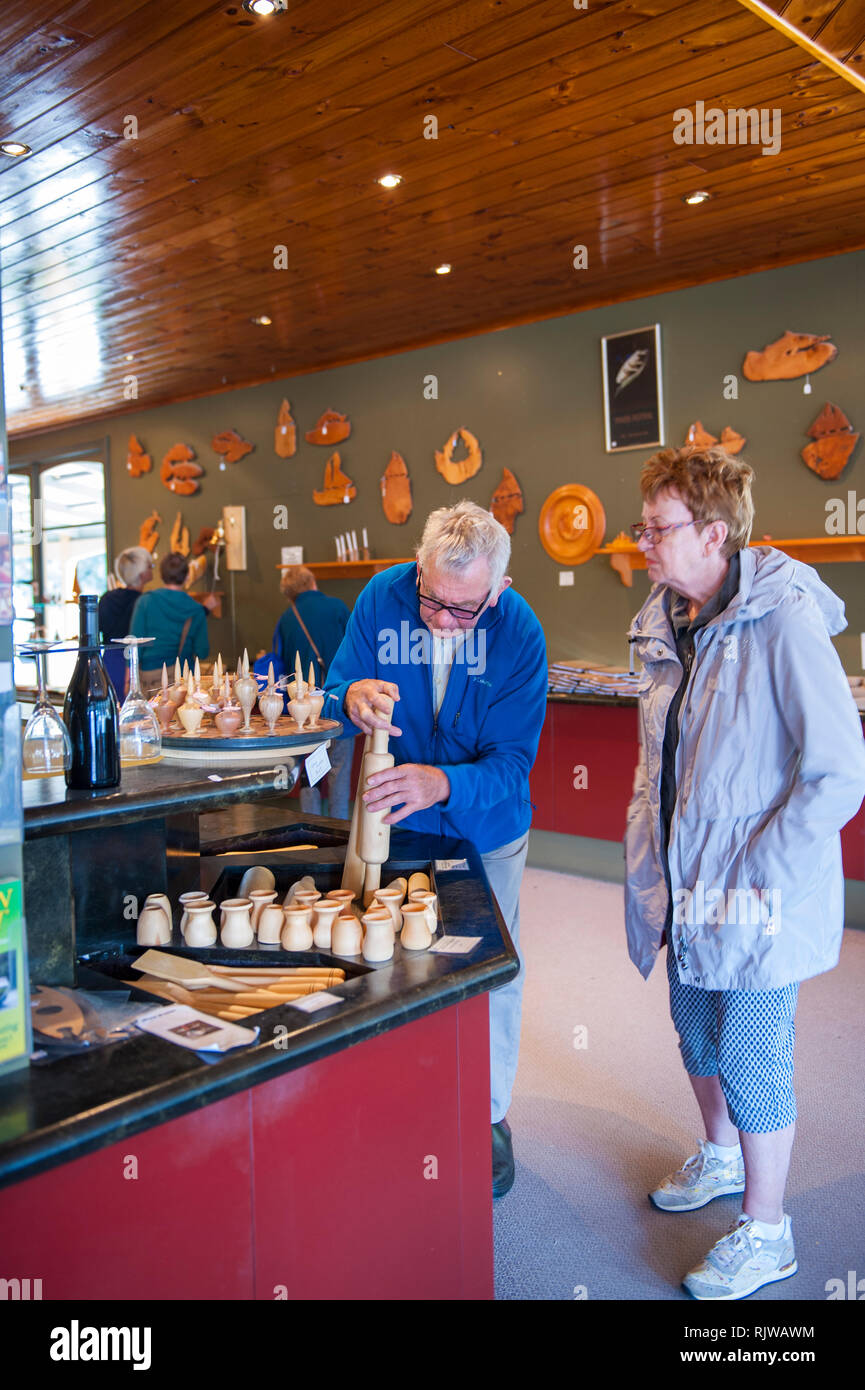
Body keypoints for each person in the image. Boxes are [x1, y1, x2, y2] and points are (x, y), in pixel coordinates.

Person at [624, 444, 865, 1301]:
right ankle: (720, 1157)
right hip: (685, 887)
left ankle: (769, 1233)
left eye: (656, 528)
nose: (640, 542)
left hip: (757, 892)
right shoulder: (666, 619)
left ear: (714, 531)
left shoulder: (783, 618)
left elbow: (838, 768)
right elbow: (663, 762)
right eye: (642, 527)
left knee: (751, 1056)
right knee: (694, 1034)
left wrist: (762, 867)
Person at [324, 501, 548, 1197]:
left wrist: (442, 782)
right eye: (431, 599)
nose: (440, 620)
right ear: (418, 568)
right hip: (396, 820)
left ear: (498, 588)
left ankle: (487, 1117)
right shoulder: (381, 595)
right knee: (389, 961)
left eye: (462, 610)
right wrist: (350, 694)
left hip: (488, 828)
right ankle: (401, 1102)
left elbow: (512, 764)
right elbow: (335, 690)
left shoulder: (519, 633)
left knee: (487, 972)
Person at [274, 566, 354, 820]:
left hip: (302, 708)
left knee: (310, 766)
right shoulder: (338, 607)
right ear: (312, 582)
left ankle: (310, 824)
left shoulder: (287, 617)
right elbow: (356, 649)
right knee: (339, 768)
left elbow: (281, 663)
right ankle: (339, 827)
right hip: (337, 701)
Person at [130, 551, 216, 687]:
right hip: (182, 678)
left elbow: (134, 644)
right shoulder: (196, 609)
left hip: (148, 677)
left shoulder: (145, 601)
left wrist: (129, 679)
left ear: (161, 575)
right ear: (187, 576)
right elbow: (202, 651)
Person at [98, 547, 154, 698]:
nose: (152, 569)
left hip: (108, 662)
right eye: (150, 566)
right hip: (134, 662)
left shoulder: (107, 598)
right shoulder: (145, 602)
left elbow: (99, 628)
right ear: (142, 575)